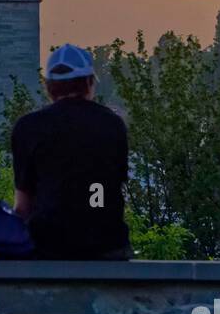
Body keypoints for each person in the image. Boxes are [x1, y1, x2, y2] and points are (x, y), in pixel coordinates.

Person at [11, 44, 131, 260]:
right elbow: (110, 190)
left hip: (47, 247)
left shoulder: (28, 127)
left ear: (48, 87)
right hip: (106, 246)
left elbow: (22, 206)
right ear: (89, 83)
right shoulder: (112, 125)